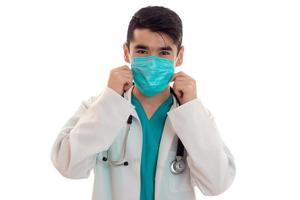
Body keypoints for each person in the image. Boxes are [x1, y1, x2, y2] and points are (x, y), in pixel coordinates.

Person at [50, 6, 236, 200]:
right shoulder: (99, 107)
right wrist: (111, 100)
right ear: (126, 52)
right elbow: (68, 166)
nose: (153, 62)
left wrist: (191, 109)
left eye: (164, 52)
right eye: (142, 50)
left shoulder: (194, 115)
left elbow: (217, 183)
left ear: (179, 56)